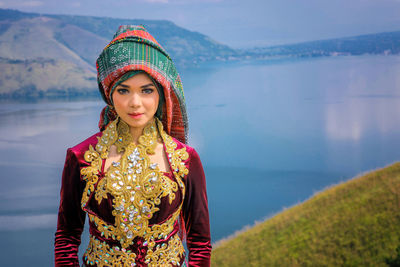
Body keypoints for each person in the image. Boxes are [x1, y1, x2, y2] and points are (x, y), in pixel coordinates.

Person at [54, 25, 212, 267]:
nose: (135, 103)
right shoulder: (81, 157)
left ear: (160, 94)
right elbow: (67, 237)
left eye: (146, 90)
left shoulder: (184, 159)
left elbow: (199, 242)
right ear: (110, 94)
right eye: (123, 90)